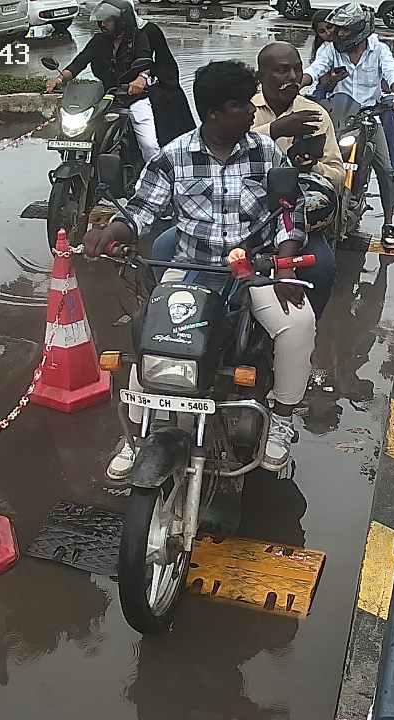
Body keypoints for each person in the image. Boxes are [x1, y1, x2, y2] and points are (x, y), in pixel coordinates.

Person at [85, 60, 315, 476]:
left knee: (298, 323)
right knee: (151, 330)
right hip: (192, 268)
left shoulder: (266, 152)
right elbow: (141, 210)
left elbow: (289, 212)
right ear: (213, 114)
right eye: (240, 105)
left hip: (254, 269)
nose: (252, 111)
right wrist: (111, 231)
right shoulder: (173, 156)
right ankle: (137, 432)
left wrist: (284, 266)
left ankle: (282, 417)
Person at [149, 42, 342, 318]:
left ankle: (311, 321)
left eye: (297, 69)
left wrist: (311, 168)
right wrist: (276, 129)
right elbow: (220, 138)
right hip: (224, 218)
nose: (292, 77)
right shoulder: (241, 105)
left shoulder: (315, 114)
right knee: (162, 248)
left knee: (322, 267)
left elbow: (336, 174)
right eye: (282, 70)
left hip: (288, 212)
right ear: (261, 77)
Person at [302, 2, 394, 249]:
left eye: (344, 30)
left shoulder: (379, 49)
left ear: (359, 30)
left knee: (385, 170)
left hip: (369, 119)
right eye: (337, 29)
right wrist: (297, 83)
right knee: (313, 161)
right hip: (339, 118)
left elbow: (392, 74)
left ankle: (388, 223)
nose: (338, 34)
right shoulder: (330, 50)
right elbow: (314, 70)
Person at [46, 0, 159, 162]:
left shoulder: (139, 38)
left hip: (133, 97)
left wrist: (141, 79)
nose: (102, 24)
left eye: (107, 20)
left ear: (121, 21)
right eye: (101, 20)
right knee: (80, 132)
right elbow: (79, 62)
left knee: (149, 145)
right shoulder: (99, 40)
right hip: (104, 98)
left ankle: (155, 174)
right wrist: (59, 79)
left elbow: (146, 61)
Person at [139, 16, 197, 144]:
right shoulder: (102, 38)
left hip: (150, 93)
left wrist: (145, 77)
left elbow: (164, 64)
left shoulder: (148, 30)